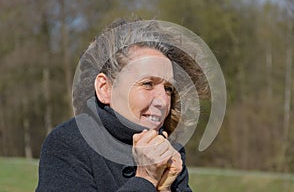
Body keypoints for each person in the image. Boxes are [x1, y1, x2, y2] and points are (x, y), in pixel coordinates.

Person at [36, 17, 210, 192]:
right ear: (105, 89)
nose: (163, 101)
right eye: (147, 84)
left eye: (168, 89)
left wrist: (164, 188)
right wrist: (146, 178)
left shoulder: (170, 150)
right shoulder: (68, 143)